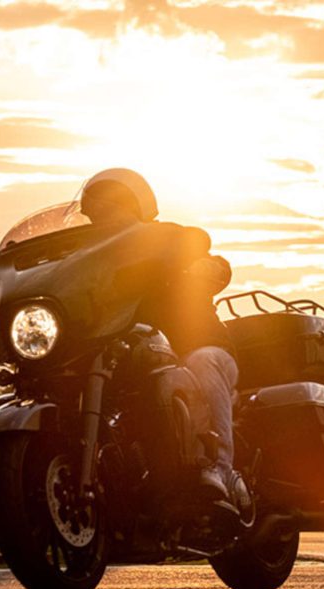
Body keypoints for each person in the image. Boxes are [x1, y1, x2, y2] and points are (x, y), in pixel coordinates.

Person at [78, 168, 238, 503]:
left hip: (201, 351)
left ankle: (221, 468)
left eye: (109, 207)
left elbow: (212, 259)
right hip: (136, 355)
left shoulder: (164, 246)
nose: (101, 216)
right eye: (94, 211)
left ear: (133, 208)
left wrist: (199, 268)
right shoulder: (92, 262)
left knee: (201, 361)